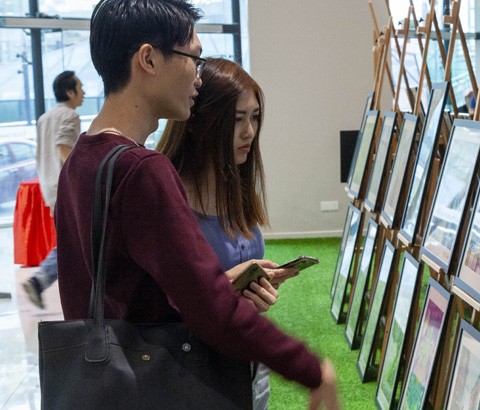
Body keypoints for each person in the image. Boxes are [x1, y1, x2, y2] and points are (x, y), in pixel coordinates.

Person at [54, 1, 340, 408]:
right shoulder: (142, 170)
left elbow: (125, 293)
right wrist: (312, 369)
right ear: (149, 59)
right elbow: (211, 310)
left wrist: (219, 283)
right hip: (160, 386)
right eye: (193, 57)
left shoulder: (83, 159)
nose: (198, 78)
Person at [156, 58, 280, 410]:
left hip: (248, 365)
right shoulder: (169, 196)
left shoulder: (237, 190)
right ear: (202, 120)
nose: (249, 132)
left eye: (254, 117)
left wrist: (257, 288)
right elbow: (160, 304)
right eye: (237, 119)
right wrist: (226, 288)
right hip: (192, 374)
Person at [21, 70, 84, 309]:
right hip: (64, 186)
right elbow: (63, 147)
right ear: (70, 91)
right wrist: (78, 180)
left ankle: (42, 280)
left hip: (48, 185)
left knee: (73, 240)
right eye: (80, 87)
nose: (84, 93)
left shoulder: (44, 118)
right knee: (76, 240)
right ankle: (40, 280)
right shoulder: (70, 115)